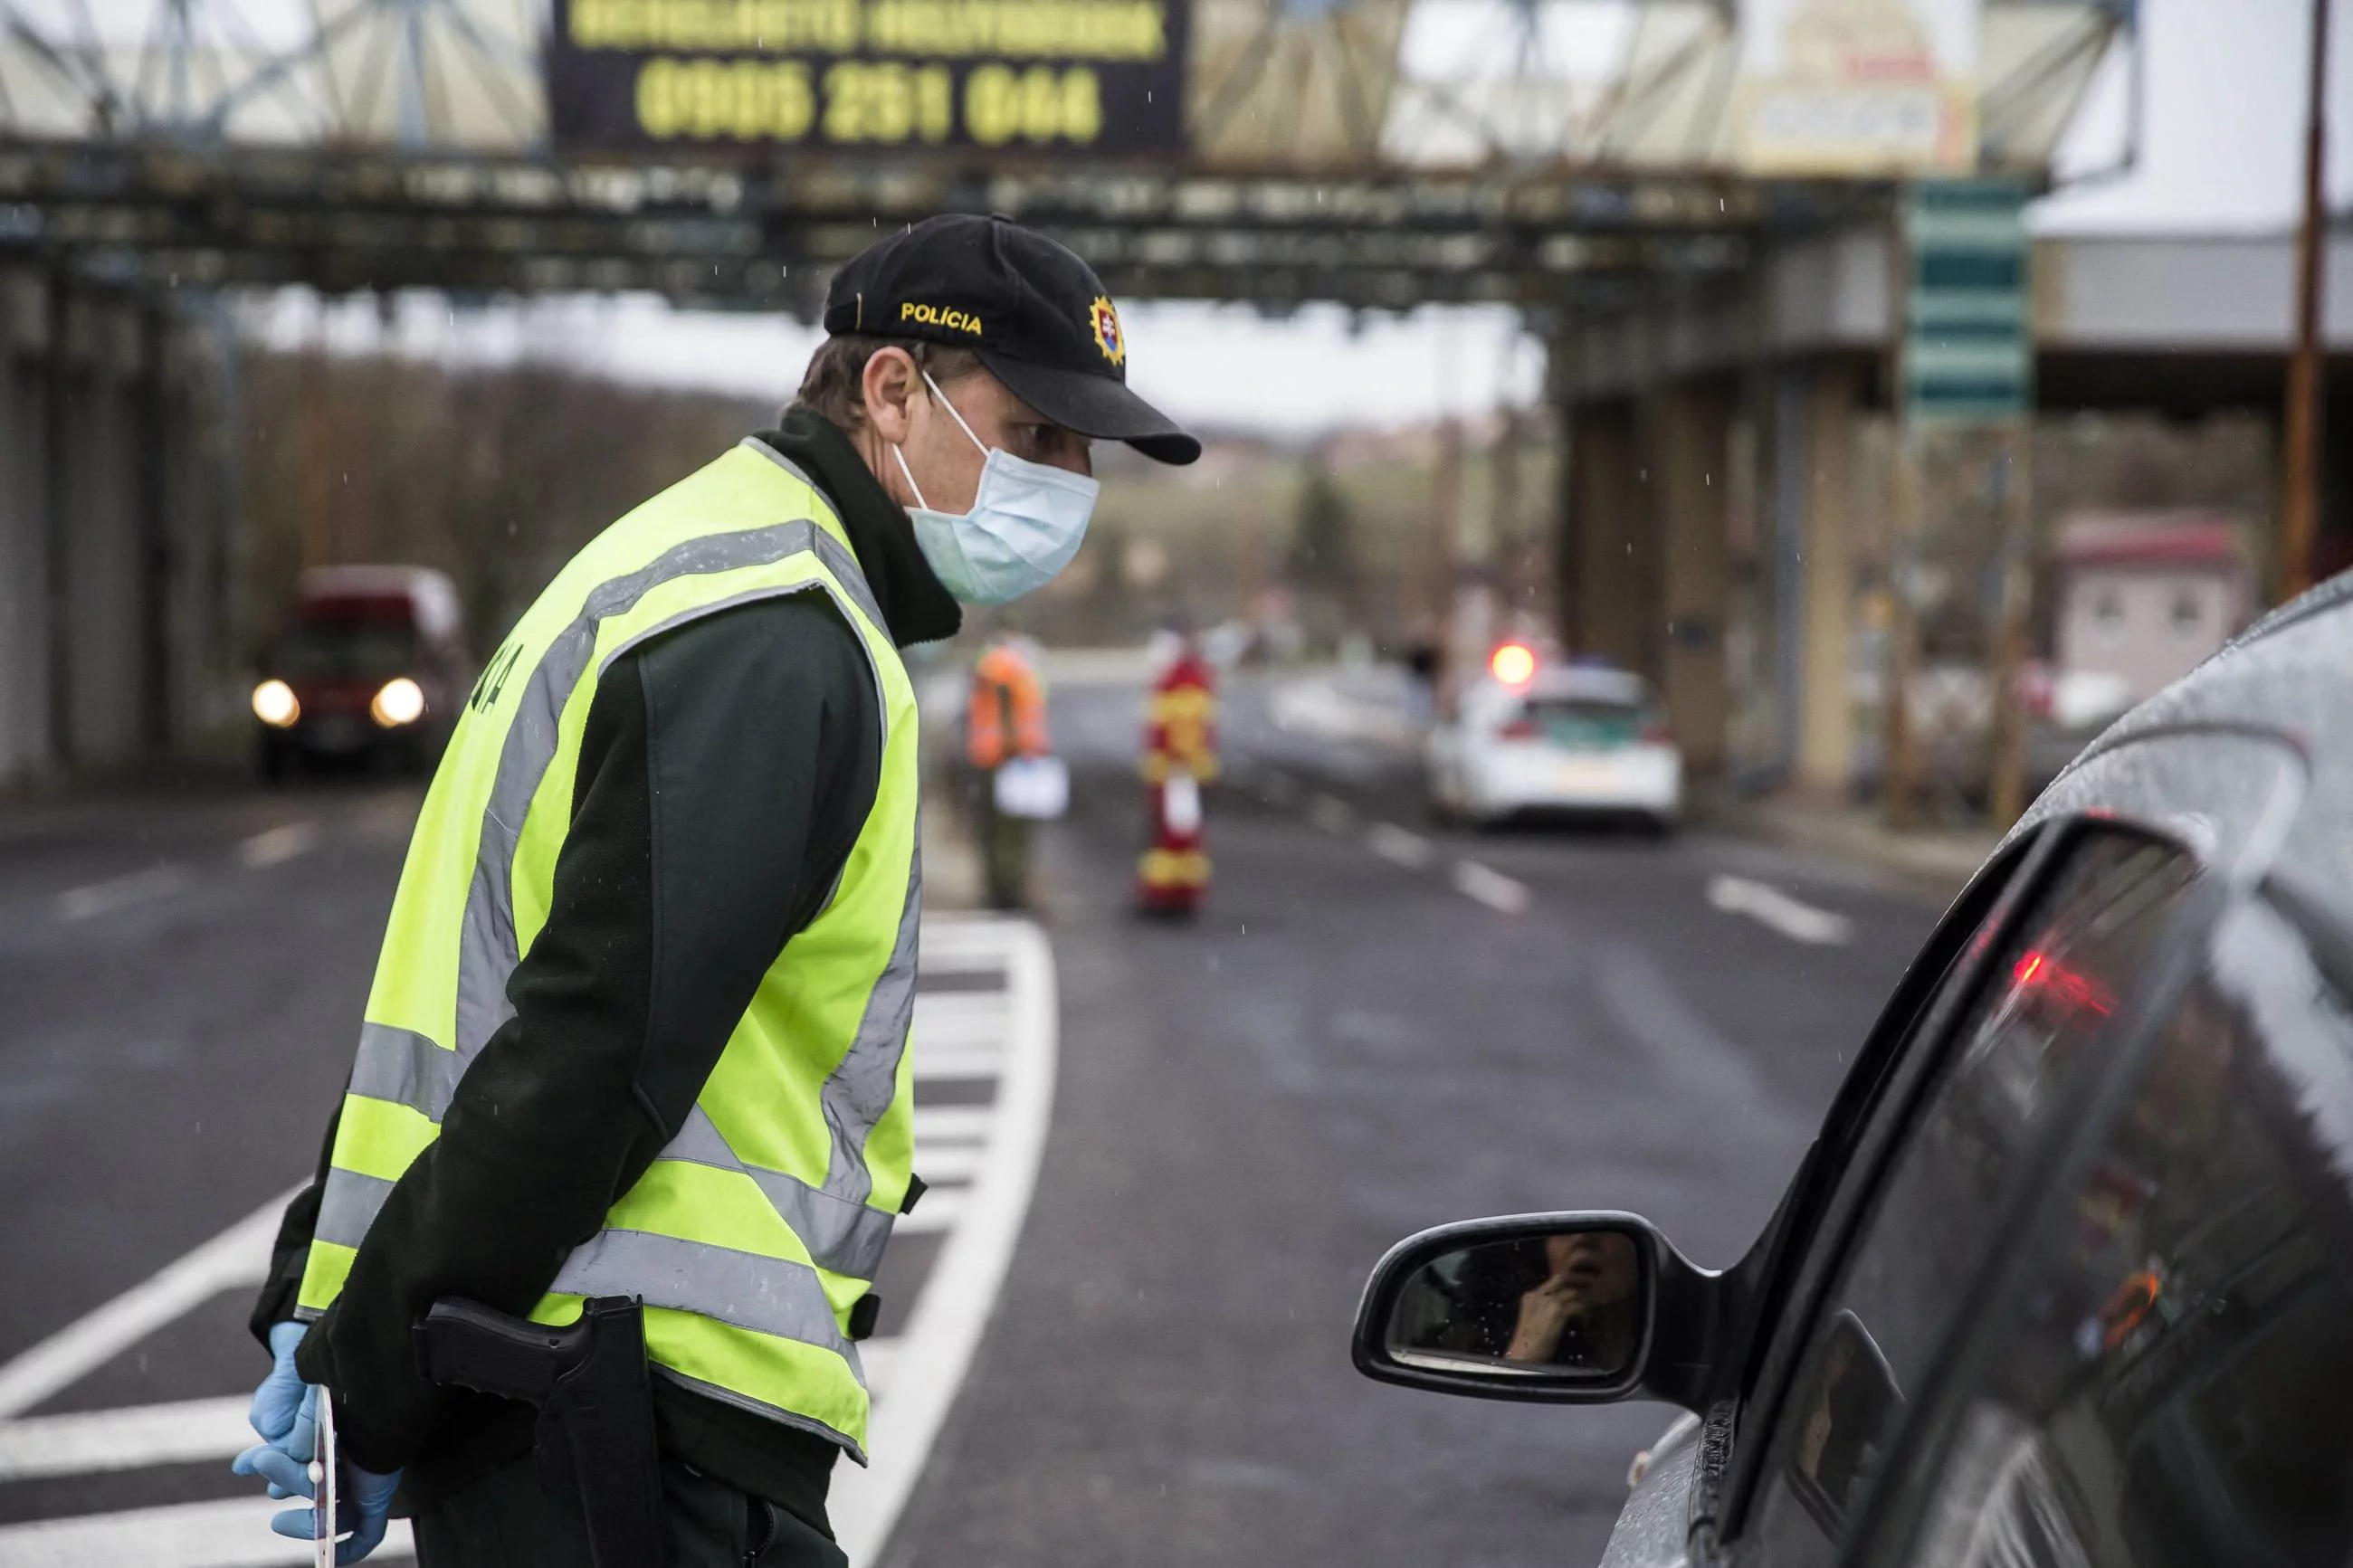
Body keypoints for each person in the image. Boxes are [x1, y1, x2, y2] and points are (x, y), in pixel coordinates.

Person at [231, 213, 1198, 1566]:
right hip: (632, 1414)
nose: (1070, 479)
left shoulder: (680, 561)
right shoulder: (775, 632)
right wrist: (371, 1376)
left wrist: (325, 1291)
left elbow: (473, 988)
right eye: (1038, 433)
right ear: (892, 389)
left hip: (547, 1388)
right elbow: (596, 1043)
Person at [1134, 624, 1218, 916]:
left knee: (1173, 837)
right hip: (1178, 773)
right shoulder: (1188, 680)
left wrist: (1175, 766)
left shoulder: (1178, 683)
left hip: (1177, 774)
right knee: (1175, 835)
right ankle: (1171, 892)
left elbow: (1180, 731)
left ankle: (1169, 895)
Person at [964, 628, 1050, 910]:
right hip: (1005, 758)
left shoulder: (999, 663)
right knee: (1008, 830)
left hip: (1001, 757)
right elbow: (1008, 712)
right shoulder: (1004, 665)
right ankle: (1006, 893)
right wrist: (1016, 745)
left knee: (1002, 830)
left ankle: (1003, 890)